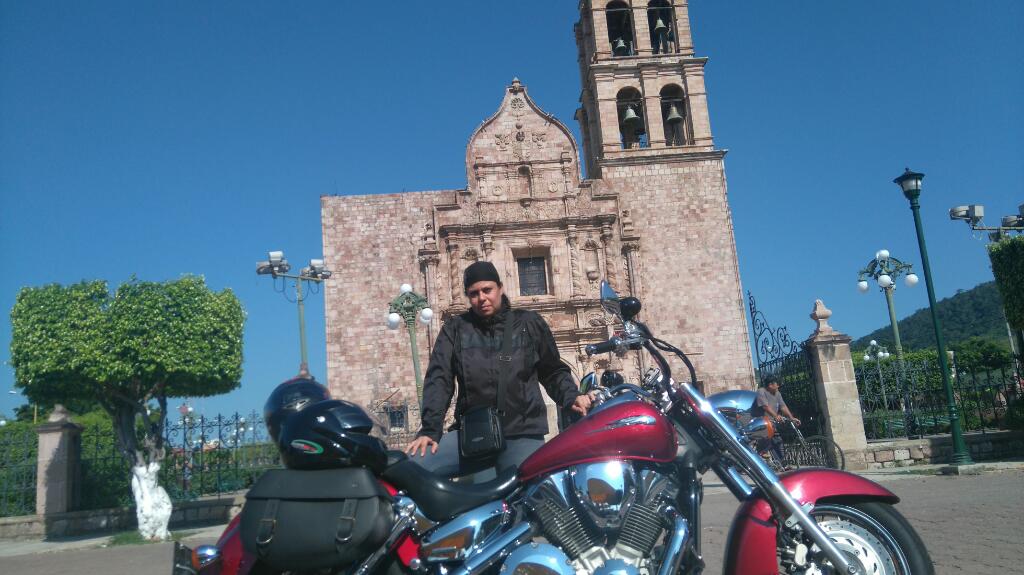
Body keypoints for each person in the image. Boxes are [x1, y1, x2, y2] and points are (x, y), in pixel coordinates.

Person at [406, 260, 591, 477]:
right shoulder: (455, 329)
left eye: (487, 290)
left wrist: (571, 396)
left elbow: (552, 371)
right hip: (474, 433)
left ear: (500, 288)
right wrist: (430, 429)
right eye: (474, 293)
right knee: (413, 465)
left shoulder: (528, 323)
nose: (482, 298)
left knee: (526, 490)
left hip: (522, 431)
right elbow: (439, 379)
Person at [752, 374, 800, 466]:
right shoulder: (761, 391)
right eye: (777, 384)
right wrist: (776, 416)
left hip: (772, 423)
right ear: (770, 385)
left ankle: (783, 465)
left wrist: (791, 418)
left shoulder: (777, 394)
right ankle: (758, 459)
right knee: (765, 445)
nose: (778, 386)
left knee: (778, 442)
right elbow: (765, 406)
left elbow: (783, 406)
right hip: (762, 423)